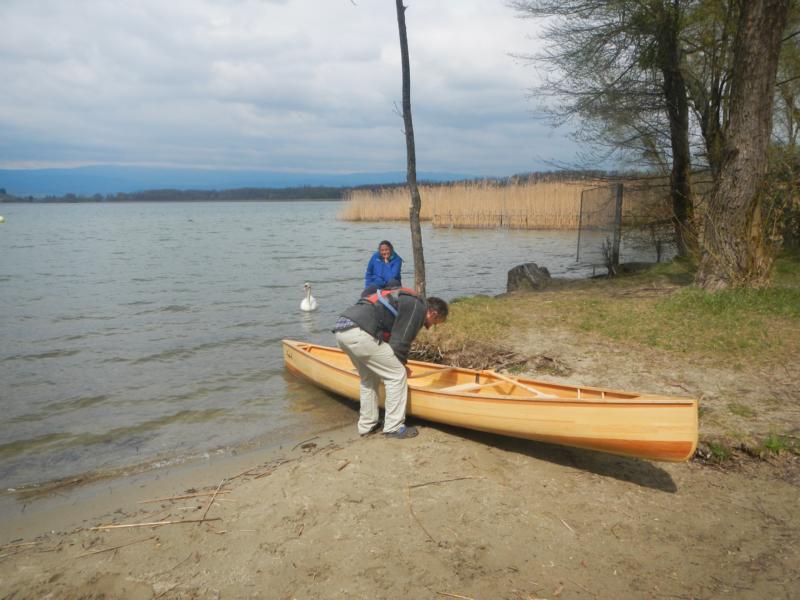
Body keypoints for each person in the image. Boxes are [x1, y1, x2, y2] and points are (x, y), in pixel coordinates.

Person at [333, 288, 448, 439]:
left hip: (342, 329)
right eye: (435, 323)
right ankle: (394, 427)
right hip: (360, 332)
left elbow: (390, 335)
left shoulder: (405, 300)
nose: (431, 326)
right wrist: (401, 365)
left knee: (369, 378)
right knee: (397, 375)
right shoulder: (417, 308)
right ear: (433, 313)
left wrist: (397, 362)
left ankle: (367, 426)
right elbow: (401, 341)